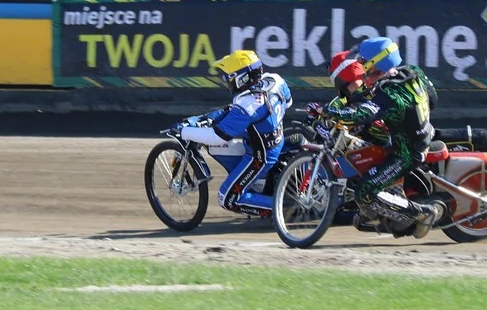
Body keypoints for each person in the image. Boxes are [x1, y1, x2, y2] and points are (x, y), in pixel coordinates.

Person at [309, 38, 442, 237]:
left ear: (377, 63)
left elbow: (361, 114)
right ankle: (388, 206)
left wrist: (327, 111)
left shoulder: (386, 91)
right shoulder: (413, 71)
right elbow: (433, 99)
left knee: (365, 192)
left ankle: (421, 214)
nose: (360, 64)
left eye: (363, 60)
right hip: (423, 133)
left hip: (406, 153)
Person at [178, 50, 293, 217]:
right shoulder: (275, 80)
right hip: (277, 141)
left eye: (229, 77)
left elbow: (217, 136)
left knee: (227, 198)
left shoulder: (248, 104)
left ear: (242, 78)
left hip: (260, 158)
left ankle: (284, 209)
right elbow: (288, 102)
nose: (227, 81)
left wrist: (185, 132)